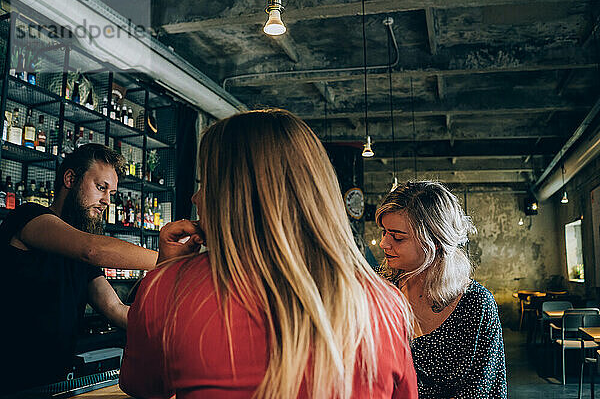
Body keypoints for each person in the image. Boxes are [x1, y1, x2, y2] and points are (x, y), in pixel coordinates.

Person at [120, 109, 418, 398]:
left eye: (205, 184)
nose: (196, 197)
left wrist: (166, 275)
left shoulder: (169, 288)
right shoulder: (387, 303)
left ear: (232, 197)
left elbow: (143, 386)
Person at [0, 143, 158, 393]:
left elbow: (115, 308)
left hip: (56, 384)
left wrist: (172, 329)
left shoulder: (80, 257)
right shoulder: (27, 217)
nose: (107, 200)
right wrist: (174, 260)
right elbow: (92, 249)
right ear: (70, 178)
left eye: (111, 193)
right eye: (100, 188)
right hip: (10, 383)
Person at [374, 181, 507, 399]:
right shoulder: (383, 291)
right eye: (384, 232)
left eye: (397, 237)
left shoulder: (476, 303)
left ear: (435, 241)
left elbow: (483, 390)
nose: (384, 244)